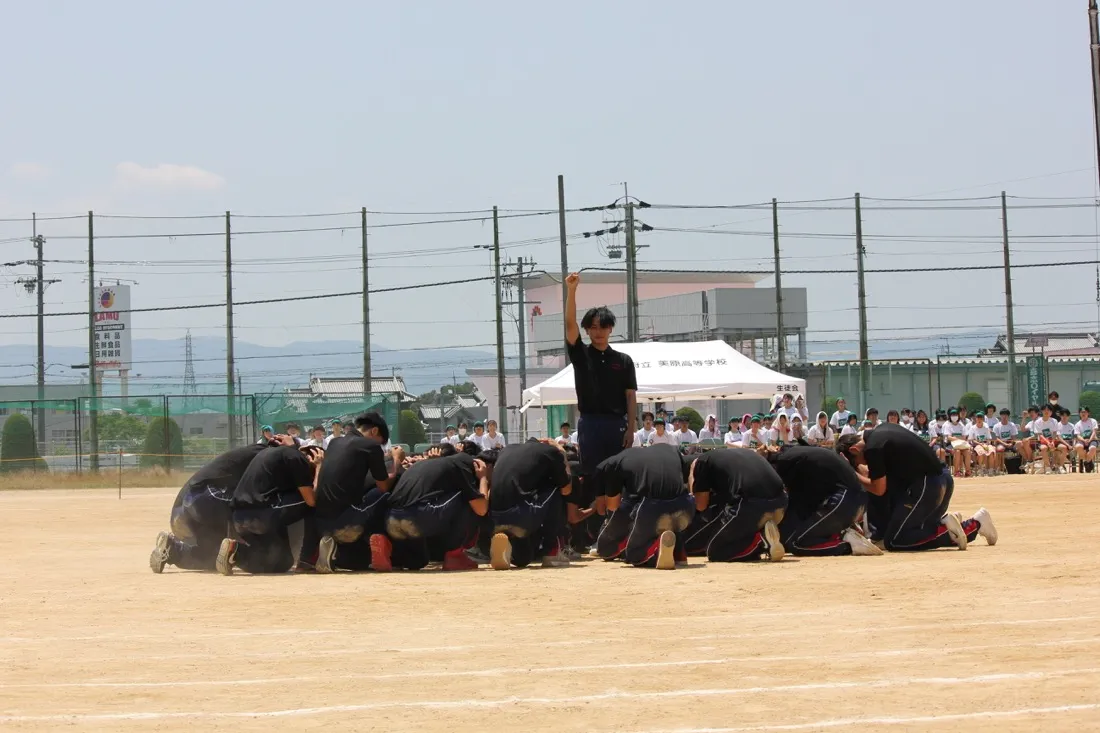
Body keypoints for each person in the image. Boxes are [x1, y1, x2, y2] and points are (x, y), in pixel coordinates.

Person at [837, 424, 980, 552]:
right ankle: (975, 523)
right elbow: (874, 477)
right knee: (919, 534)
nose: (864, 464)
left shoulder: (873, 449)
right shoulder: (882, 433)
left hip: (927, 485)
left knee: (895, 540)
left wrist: (851, 472)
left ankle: (945, 527)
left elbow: (878, 489)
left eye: (858, 463)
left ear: (854, 449)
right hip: (943, 480)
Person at [149, 440, 275, 573]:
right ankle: (238, 551)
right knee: (247, 512)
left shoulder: (249, 454)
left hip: (181, 512)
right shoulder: (266, 455)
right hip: (205, 499)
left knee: (212, 556)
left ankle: (173, 550)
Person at [564, 272, 637, 478]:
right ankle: (596, 509)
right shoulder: (581, 354)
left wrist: (631, 429)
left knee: (618, 475)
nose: (598, 331)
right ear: (586, 330)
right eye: (593, 327)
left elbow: (630, 397)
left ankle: (615, 511)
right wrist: (572, 290)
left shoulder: (624, 360)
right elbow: (570, 324)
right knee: (592, 475)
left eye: (603, 327)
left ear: (611, 328)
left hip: (617, 423)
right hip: (590, 423)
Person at [312, 412, 404, 574]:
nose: (381, 447)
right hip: (347, 519)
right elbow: (383, 486)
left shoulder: (334, 443)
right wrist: (396, 459)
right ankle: (379, 540)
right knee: (385, 495)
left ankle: (333, 548)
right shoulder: (370, 447)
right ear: (374, 431)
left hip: (320, 523)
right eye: (381, 443)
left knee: (358, 562)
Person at [216, 443, 324, 575]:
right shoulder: (298, 459)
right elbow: (311, 501)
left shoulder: (273, 457)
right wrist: (319, 467)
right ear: (312, 457)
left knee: (283, 562)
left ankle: (237, 551)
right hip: (262, 515)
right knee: (317, 503)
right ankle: (307, 562)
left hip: (240, 519)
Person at [374, 450, 490, 571]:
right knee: (469, 498)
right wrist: (483, 478)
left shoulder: (423, 465)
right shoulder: (461, 465)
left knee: (418, 561)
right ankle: (454, 555)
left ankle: (387, 547)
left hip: (391, 520)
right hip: (418, 516)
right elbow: (481, 509)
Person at [591, 444, 695, 569]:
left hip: (654, 507)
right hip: (686, 506)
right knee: (670, 519)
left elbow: (613, 507)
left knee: (634, 554)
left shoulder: (613, 465)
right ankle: (679, 552)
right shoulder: (669, 448)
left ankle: (656, 549)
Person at [767, 445, 880, 556]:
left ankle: (847, 543)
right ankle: (841, 534)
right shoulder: (803, 456)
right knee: (793, 539)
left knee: (795, 543)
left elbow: (779, 493)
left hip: (843, 500)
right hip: (855, 501)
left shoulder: (784, 461)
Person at [686, 448, 787, 562]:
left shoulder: (701, 462)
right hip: (781, 502)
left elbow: (701, 505)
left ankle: (761, 540)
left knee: (715, 551)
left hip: (750, 504)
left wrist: (691, 478)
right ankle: (763, 534)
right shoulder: (746, 453)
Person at [487, 439, 572, 569]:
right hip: (520, 514)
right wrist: (562, 454)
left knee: (523, 559)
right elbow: (567, 489)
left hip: (493, 517)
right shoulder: (550, 451)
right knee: (556, 488)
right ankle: (552, 551)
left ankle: (508, 551)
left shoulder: (507, 449)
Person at [940, 408, 972, 477]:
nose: (954, 416)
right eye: (952, 415)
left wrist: (955, 438)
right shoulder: (947, 425)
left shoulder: (961, 425)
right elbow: (948, 437)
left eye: (955, 414)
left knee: (968, 452)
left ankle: (968, 471)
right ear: (950, 416)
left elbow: (964, 437)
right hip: (950, 445)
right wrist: (957, 439)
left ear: (958, 416)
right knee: (957, 451)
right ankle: (956, 471)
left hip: (961, 444)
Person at [1029, 404, 1060, 474]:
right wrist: (1047, 442)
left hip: (1053, 440)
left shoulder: (1054, 421)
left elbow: (1055, 433)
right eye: (1045, 410)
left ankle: (1057, 466)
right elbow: (1040, 434)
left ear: (1051, 412)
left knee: (1060, 448)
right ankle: (1048, 467)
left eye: (1048, 410)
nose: (1046, 411)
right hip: (1042, 441)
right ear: (1042, 411)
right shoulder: (1037, 422)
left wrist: (1052, 442)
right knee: (1043, 448)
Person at [991, 409, 1018, 474]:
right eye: (1002, 415)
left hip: (1010, 442)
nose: (1004, 417)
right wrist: (1005, 444)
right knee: (1000, 449)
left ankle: (1023, 465)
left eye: (1006, 415)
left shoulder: (1012, 425)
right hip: (1001, 443)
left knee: (1019, 444)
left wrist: (1011, 443)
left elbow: (1014, 437)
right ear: (1000, 416)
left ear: (1008, 416)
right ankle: (999, 468)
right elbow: (996, 438)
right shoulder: (996, 426)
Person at [968, 413, 995, 477]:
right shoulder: (972, 428)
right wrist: (981, 444)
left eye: (981, 418)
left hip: (986, 444)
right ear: (976, 419)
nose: (979, 420)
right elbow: (972, 440)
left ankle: (990, 470)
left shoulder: (986, 427)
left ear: (983, 419)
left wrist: (987, 444)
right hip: (977, 444)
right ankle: (981, 469)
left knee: (991, 451)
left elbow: (989, 438)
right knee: (981, 452)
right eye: (978, 418)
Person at [1075, 406, 1098, 471]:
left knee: (1092, 448)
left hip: (1092, 440)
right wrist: (1083, 440)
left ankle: (1086, 462)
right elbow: (1078, 435)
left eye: (1085, 412)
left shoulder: (1093, 421)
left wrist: (1090, 440)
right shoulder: (1077, 424)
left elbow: (1094, 432)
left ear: (1088, 413)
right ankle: (1088, 461)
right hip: (1082, 441)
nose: (1083, 413)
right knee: (1078, 446)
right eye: (1081, 412)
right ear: (1079, 413)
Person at [1054, 409, 1076, 474]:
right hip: (1060, 443)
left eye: (1066, 415)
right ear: (1060, 416)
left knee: (1077, 448)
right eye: (1062, 415)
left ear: (1069, 416)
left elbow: (1074, 437)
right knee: (1064, 448)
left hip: (1070, 444)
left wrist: (1074, 445)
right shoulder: (1057, 425)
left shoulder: (1072, 426)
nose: (1064, 417)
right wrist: (1068, 445)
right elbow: (1059, 437)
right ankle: (1061, 466)